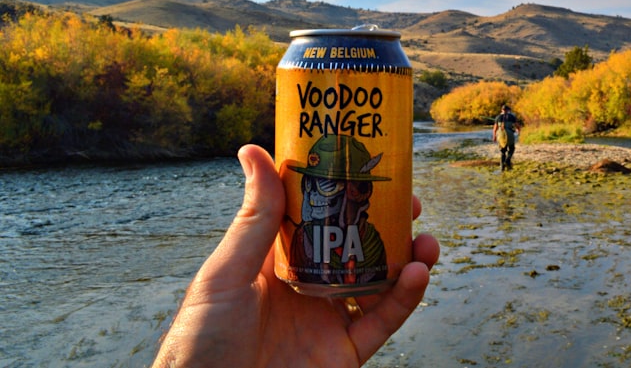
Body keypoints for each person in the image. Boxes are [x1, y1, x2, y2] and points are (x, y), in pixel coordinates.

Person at [152, 144, 440, 368]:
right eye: (310, 185)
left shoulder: (373, 241)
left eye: (326, 185)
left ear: (357, 191)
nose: (313, 197)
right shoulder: (299, 239)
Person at [492, 104, 521, 171]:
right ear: (508, 110)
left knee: (503, 151)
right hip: (510, 135)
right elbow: (517, 126)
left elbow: (495, 129)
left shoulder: (498, 117)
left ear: (501, 110)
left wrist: (494, 137)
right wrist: (518, 131)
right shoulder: (512, 117)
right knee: (511, 148)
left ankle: (502, 165)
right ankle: (508, 160)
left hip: (501, 135)